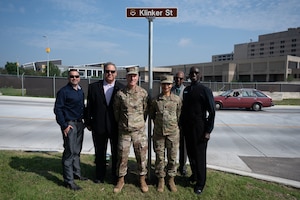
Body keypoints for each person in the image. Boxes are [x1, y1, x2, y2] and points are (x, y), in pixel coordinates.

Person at [85, 62, 125, 184]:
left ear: (116, 73)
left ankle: (114, 176)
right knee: (100, 152)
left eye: (112, 72)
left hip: (115, 126)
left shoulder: (121, 88)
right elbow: (89, 106)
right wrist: (88, 122)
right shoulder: (93, 87)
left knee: (116, 153)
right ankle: (99, 175)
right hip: (99, 126)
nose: (109, 73)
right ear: (104, 72)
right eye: (107, 71)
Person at [113, 66, 149, 193]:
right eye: (130, 76)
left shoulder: (143, 93)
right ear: (126, 77)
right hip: (124, 131)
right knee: (122, 157)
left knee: (141, 157)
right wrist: (123, 124)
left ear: (138, 77)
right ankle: (121, 179)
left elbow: (145, 111)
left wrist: (138, 123)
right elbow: (116, 112)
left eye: (134, 76)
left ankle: (142, 179)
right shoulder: (120, 94)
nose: (132, 78)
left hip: (139, 132)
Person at [180, 66, 215, 195]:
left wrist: (208, 131)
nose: (194, 75)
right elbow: (184, 110)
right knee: (191, 154)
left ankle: (201, 182)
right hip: (188, 127)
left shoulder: (205, 90)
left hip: (200, 127)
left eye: (196, 73)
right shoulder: (187, 90)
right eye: (192, 73)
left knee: (200, 156)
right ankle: (194, 175)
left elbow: (212, 112)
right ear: (189, 75)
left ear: (200, 75)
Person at [54, 69, 88, 191]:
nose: (74, 78)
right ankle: (69, 181)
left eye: (76, 76)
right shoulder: (63, 92)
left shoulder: (80, 91)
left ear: (79, 78)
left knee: (77, 151)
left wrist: (86, 121)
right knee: (69, 152)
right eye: (72, 76)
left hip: (79, 124)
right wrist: (64, 125)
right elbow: (58, 109)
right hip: (70, 125)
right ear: (68, 78)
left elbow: (82, 107)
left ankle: (77, 174)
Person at [150, 75, 182, 192]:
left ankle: (171, 179)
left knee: (172, 158)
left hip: (173, 134)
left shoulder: (177, 100)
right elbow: (152, 116)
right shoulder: (155, 100)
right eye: (164, 84)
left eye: (168, 84)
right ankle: (161, 179)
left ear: (171, 85)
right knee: (160, 158)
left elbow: (178, 115)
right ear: (161, 85)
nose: (166, 86)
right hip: (159, 134)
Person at [171, 71, 187, 176]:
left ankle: (182, 166)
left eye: (180, 78)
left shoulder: (186, 91)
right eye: (176, 78)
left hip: (183, 122)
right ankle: (171, 166)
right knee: (171, 147)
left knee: (183, 146)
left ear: (183, 79)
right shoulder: (170, 90)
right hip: (172, 123)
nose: (178, 80)